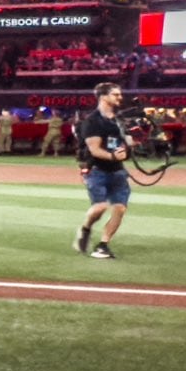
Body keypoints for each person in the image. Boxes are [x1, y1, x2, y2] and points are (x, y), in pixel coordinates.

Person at [72, 86, 138, 262]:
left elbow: (129, 143)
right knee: (100, 207)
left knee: (120, 208)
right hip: (97, 170)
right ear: (103, 97)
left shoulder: (119, 121)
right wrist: (112, 156)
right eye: (115, 94)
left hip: (117, 171)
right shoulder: (92, 121)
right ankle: (85, 229)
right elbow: (94, 149)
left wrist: (132, 145)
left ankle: (103, 245)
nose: (120, 97)